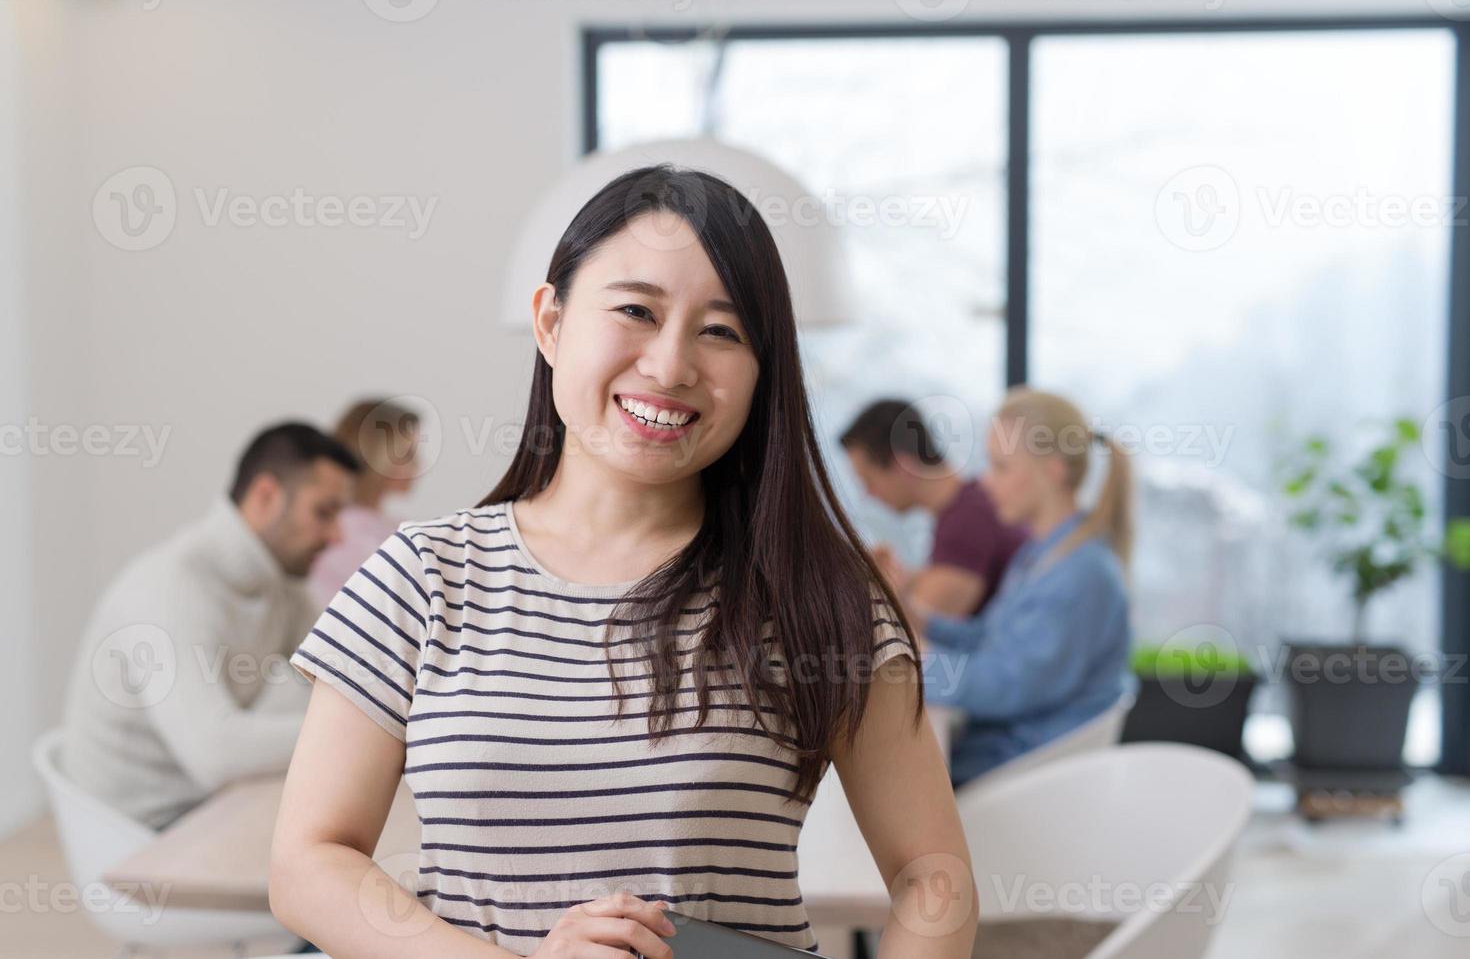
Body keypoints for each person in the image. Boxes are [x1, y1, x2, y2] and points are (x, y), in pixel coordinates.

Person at [268, 166, 978, 958]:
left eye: (722, 330)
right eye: (636, 310)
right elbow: (308, 863)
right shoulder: (423, 576)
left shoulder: (819, 592)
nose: (671, 366)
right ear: (551, 321)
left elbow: (932, 875)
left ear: (761, 372)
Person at [61, 423, 358, 829]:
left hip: (210, 809)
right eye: (324, 512)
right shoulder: (168, 586)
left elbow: (345, 674)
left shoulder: (282, 580)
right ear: (266, 496)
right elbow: (216, 754)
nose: (337, 535)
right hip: (143, 839)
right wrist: (352, 733)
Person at [908, 388, 1135, 789]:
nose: (985, 482)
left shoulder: (1081, 574)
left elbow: (1007, 685)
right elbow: (994, 640)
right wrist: (921, 622)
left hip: (1024, 774)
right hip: (1002, 755)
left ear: (1053, 471)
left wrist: (911, 670)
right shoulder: (1041, 555)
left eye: (1000, 467)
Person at [841, 398, 1027, 618]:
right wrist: (895, 577)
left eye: (868, 481)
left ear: (902, 465)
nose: (868, 495)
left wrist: (875, 584)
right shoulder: (968, 506)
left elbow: (915, 630)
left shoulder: (966, 522)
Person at [307, 398, 421, 607]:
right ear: (377, 453)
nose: (419, 464)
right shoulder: (338, 533)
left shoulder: (400, 528)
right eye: (407, 454)